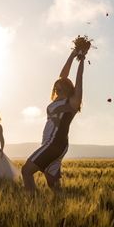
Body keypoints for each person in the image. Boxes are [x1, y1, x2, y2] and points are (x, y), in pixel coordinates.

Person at [21, 46, 87, 193]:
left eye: (61, 86)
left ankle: (33, 204)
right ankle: (63, 208)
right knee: (53, 185)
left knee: (26, 171)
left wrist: (82, 60)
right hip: (51, 143)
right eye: (56, 86)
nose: (57, 87)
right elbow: (63, 75)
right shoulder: (59, 99)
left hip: (54, 144)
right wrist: (73, 54)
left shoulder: (72, 102)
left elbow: (79, 81)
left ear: (68, 88)